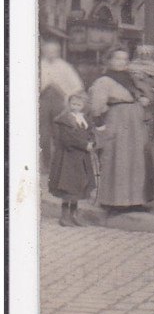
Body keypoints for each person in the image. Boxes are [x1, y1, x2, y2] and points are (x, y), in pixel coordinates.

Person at [89, 47, 154, 209]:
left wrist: (143, 99)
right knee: (119, 160)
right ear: (110, 60)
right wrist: (102, 127)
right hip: (117, 121)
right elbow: (97, 107)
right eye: (118, 59)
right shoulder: (103, 81)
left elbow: (143, 93)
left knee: (137, 161)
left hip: (135, 123)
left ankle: (136, 201)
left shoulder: (130, 77)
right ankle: (115, 202)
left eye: (125, 59)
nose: (121, 62)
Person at [48, 91, 95, 227]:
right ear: (69, 104)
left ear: (83, 106)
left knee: (78, 185)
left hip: (81, 158)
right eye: (73, 104)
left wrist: (92, 142)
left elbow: (90, 133)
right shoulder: (64, 120)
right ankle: (64, 217)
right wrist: (85, 145)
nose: (75, 106)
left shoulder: (84, 118)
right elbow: (67, 138)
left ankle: (74, 215)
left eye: (78, 104)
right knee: (67, 186)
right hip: (68, 158)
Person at [40, 38, 84, 171]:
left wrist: (67, 96)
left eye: (54, 51)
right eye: (48, 51)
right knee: (43, 134)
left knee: (59, 132)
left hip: (60, 101)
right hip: (43, 101)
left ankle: (60, 164)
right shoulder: (39, 65)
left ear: (58, 52)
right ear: (43, 51)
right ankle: (46, 164)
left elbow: (77, 86)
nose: (51, 54)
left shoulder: (64, 66)